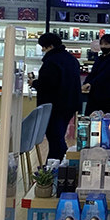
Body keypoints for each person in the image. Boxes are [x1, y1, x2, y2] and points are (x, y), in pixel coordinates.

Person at [30, 32, 82, 162]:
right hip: (70, 103)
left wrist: (34, 83)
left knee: (54, 137)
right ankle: (59, 162)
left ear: (51, 46)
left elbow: (48, 84)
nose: (43, 50)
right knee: (58, 135)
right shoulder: (71, 59)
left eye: (44, 47)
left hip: (54, 105)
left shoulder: (51, 61)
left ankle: (57, 163)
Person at [82, 33, 110, 115]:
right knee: (90, 117)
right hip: (94, 95)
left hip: (107, 95)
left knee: (106, 118)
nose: (103, 46)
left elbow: (105, 75)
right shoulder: (98, 59)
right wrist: (85, 83)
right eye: (101, 44)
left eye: (106, 44)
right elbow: (92, 73)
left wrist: (90, 83)